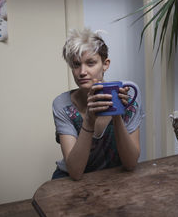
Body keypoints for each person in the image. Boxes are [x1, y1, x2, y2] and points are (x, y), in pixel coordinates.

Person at [52, 28, 144, 180]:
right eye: (76, 65)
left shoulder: (128, 93)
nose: (82, 72)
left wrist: (116, 113)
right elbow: (75, 172)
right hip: (70, 181)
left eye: (90, 63)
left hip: (112, 178)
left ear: (105, 64)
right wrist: (89, 119)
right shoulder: (63, 104)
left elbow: (130, 163)